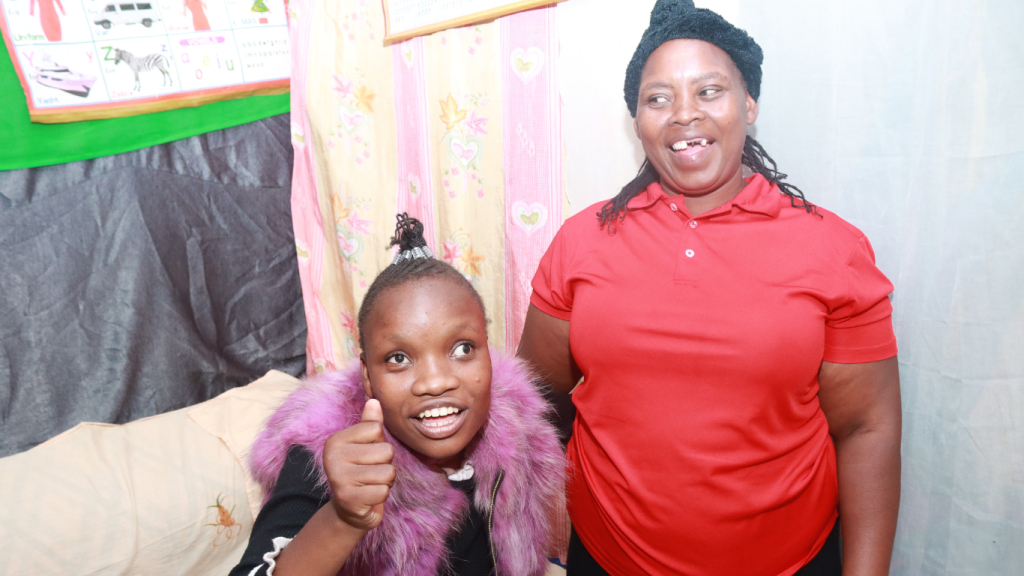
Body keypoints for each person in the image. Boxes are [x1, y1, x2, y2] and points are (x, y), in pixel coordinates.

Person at [517, 1, 902, 575]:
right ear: (637, 119)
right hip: (608, 559)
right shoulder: (581, 243)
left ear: (749, 105)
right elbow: (538, 400)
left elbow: (866, 427)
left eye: (709, 90)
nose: (683, 114)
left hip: (791, 561)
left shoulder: (833, 249)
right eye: (658, 97)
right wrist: (545, 527)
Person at [231, 214, 566, 576]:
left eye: (463, 348)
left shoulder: (517, 429)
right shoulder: (325, 453)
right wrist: (343, 518)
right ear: (368, 377)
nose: (435, 382)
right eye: (399, 358)